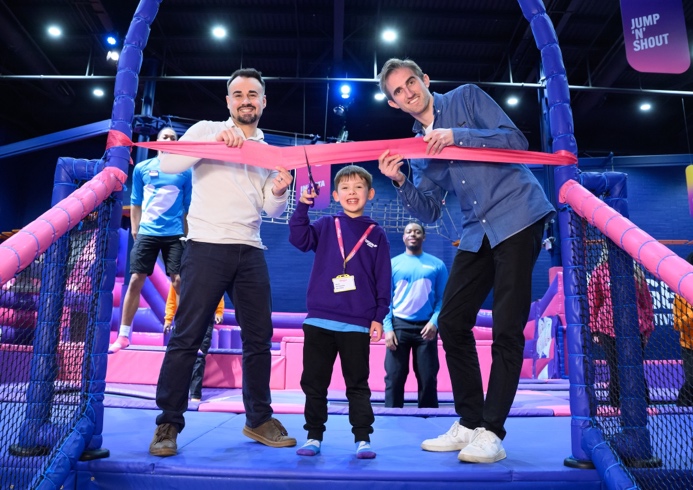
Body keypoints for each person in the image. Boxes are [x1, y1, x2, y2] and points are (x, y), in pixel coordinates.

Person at [377, 58, 555, 463]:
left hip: (519, 215)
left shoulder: (466, 98)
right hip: (477, 231)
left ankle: (492, 432)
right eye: (398, 92)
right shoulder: (418, 149)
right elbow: (430, 212)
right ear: (394, 104)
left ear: (424, 78)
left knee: (508, 329)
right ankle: (471, 422)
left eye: (411, 83)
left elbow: (515, 141)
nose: (409, 93)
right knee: (452, 321)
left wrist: (457, 135)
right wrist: (400, 180)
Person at [149, 68, 296, 457]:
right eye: (238, 94)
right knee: (187, 336)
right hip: (206, 245)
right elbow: (167, 166)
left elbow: (270, 207)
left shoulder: (270, 150)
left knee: (259, 339)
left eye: (253, 94)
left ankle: (258, 419)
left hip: (250, 248)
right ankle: (168, 423)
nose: (245, 99)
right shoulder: (204, 129)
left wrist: (281, 190)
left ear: (263, 102)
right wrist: (215, 140)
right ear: (228, 101)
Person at [288, 165, 391, 459]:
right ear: (335, 195)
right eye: (345, 188)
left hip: (357, 324)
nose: (352, 193)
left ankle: (362, 439)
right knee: (314, 382)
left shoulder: (376, 234)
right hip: (319, 320)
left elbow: (383, 278)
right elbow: (299, 239)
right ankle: (314, 436)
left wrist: (378, 316)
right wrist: (302, 207)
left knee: (357, 384)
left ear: (370, 194)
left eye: (358, 187)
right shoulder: (325, 225)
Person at [109, 127, 192, 354]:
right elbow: (135, 201)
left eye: (174, 138)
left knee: (178, 281)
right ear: (157, 141)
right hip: (147, 232)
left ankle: (188, 336)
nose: (170, 140)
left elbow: (186, 207)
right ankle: (124, 335)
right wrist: (136, 229)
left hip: (174, 234)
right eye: (166, 137)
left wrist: (186, 234)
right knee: (136, 279)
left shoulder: (185, 172)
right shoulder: (143, 169)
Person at [383, 222, 448, 408]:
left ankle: (428, 421)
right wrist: (388, 328)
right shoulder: (393, 264)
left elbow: (444, 298)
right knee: (394, 378)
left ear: (424, 237)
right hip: (398, 328)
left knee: (428, 378)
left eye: (417, 231)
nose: (413, 234)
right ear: (404, 237)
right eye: (409, 231)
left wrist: (435, 322)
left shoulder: (437, 265)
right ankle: (392, 419)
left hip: (426, 329)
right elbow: (385, 300)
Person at [588, 259, 654, 408]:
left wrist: (647, 328)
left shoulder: (636, 271)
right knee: (616, 369)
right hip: (607, 328)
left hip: (635, 328)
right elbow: (593, 303)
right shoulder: (600, 271)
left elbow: (646, 302)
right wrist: (594, 330)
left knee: (634, 368)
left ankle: (642, 405)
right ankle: (617, 405)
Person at [162, 284, 225, 401]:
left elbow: (218, 292)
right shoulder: (182, 273)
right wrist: (168, 319)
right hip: (185, 318)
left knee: (199, 356)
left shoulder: (209, 272)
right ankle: (178, 391)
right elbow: (172, 297)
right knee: (181, 355)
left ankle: (195, 394)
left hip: (206, 318)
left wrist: (219, 312)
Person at [672, 252, 693, 406]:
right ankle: (682, 404)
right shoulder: (681, 294)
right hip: (689, 345)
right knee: (692, 380)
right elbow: (677, 324)